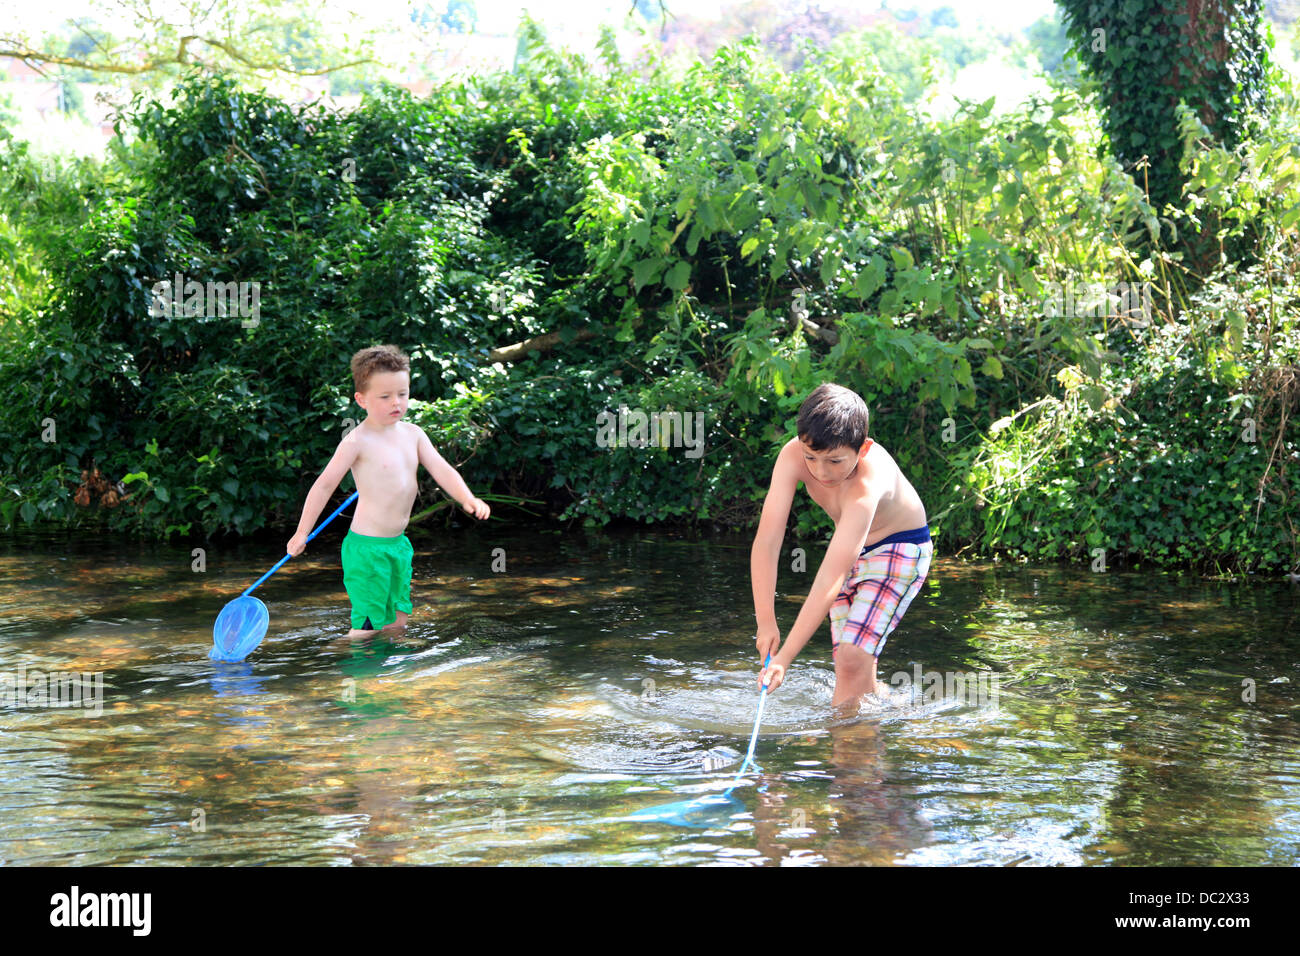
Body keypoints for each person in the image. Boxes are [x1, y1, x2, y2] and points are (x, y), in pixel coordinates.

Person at [751, 383, 932, 715]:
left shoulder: (866, 484)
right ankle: (895, 715)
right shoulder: (792, 456)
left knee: (850, 658)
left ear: (863, 449)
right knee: (851, 668)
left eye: (834, 460)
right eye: (811, 458)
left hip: (900, 549)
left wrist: (785, 658)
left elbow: (831, 575)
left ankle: (847, 758)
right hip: (853, 548)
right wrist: (766, 621)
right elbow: (768, 540)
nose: (821, 472)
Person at [287, 345, 490, 636]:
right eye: (385, 397)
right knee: (367, 627)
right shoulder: (356, 442)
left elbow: (442, 469)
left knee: (398, 621)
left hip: (398, 546)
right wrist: (301, 532)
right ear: (361, 400)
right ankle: (340, 669)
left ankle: (393, 678)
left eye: (402, 394)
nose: (396, 402)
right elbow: (324, 486)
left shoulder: (413, 435)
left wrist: (467, 498)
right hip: (367, 551)